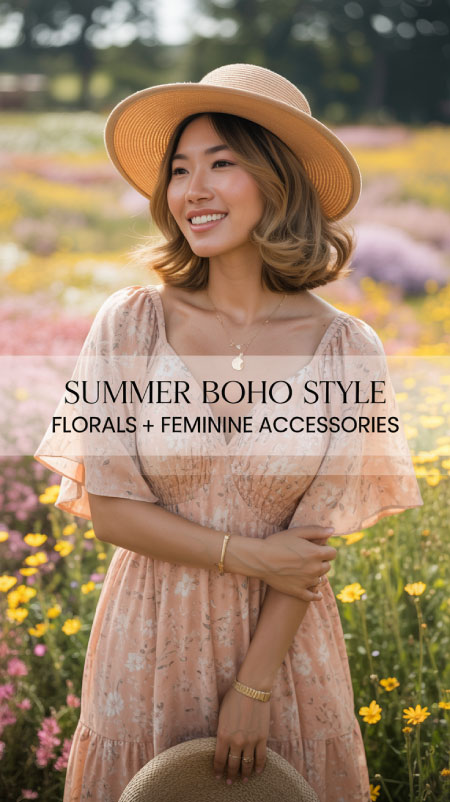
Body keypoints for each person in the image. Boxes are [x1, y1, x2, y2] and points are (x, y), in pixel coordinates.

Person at [34, 64, 423, 802]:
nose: (193, 190)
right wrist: (251, 555)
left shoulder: (349, 349)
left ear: (278, 182)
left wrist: (253, 688)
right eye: (179, 170)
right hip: (146, 639)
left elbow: (308, 551)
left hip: (284, 651)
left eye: (221, 164)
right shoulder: (131, 323)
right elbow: (111, 510)